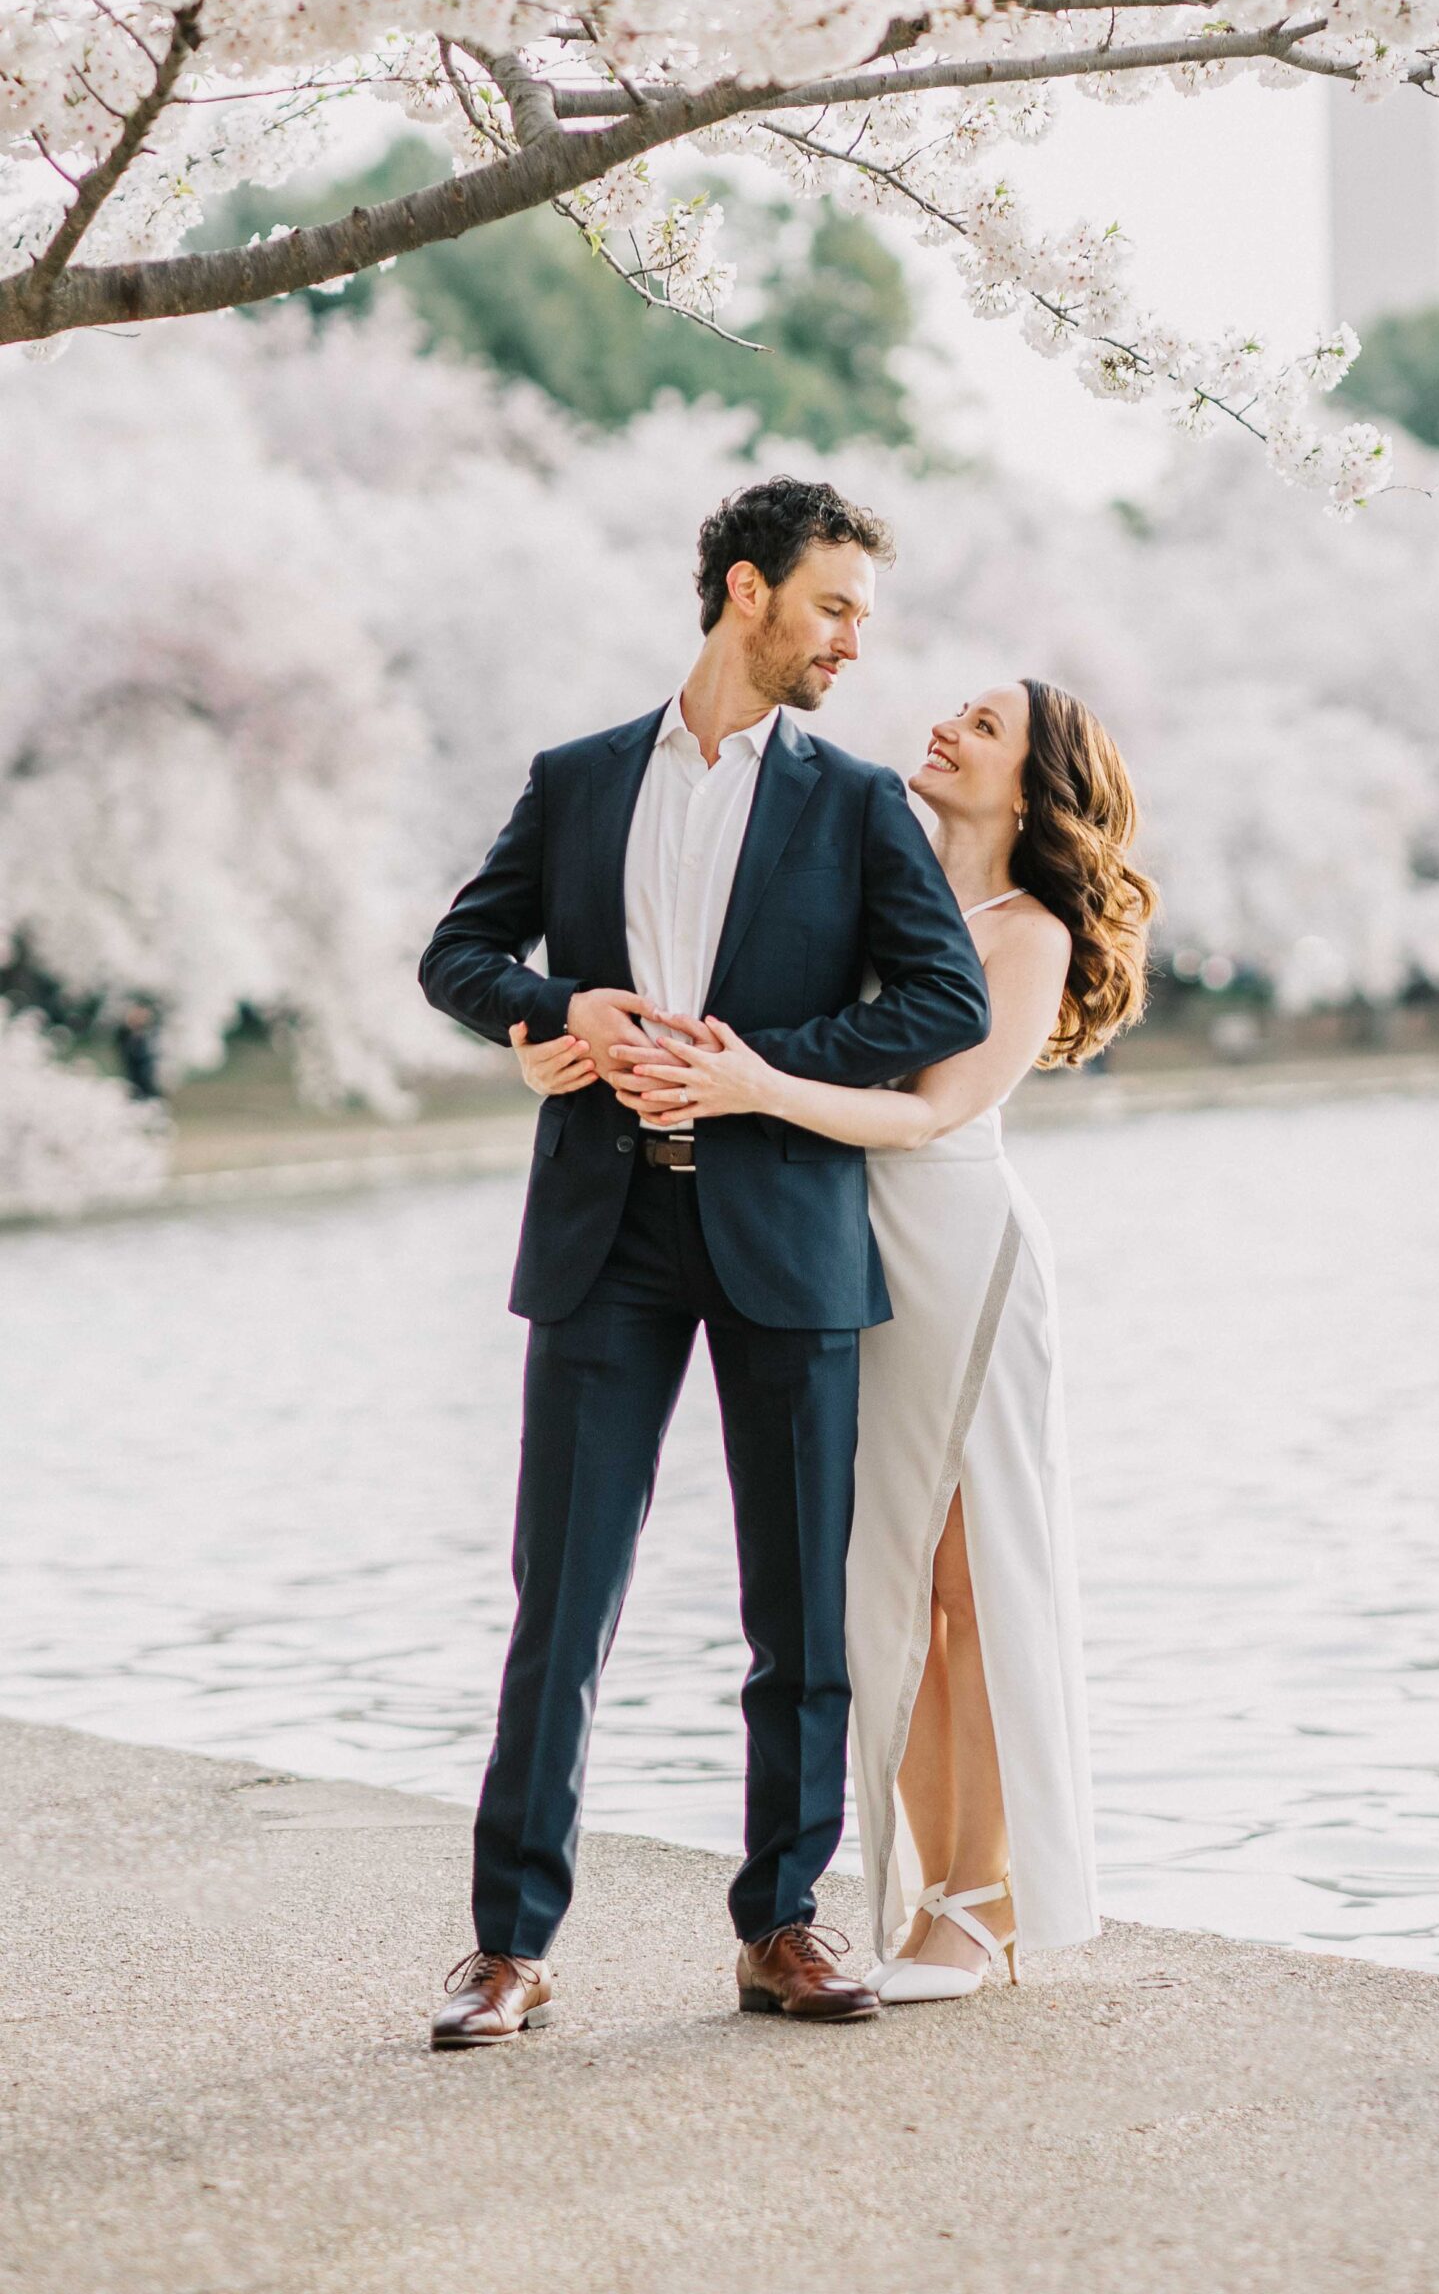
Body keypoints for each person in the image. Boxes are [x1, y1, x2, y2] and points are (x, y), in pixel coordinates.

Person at [418, 475, 989, 2043]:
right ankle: (509, 1946)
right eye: (832, 608)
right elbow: (457, 953)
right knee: (565, 1600)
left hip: (785, 1229)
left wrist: (757, 1066)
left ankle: (783, 1925)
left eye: (861, 617)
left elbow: (944, 1003)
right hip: (605, 1235)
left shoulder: (858, 799)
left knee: (796, 1610)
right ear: (745, 592)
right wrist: (557, 1014)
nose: (852, 644)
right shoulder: (580, 776)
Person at [630, 678, 1154, 2001]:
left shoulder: (1024, 931)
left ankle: (979, 1908)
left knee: (971, 1591)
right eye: (956, 712)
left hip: (955, 1252)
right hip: (848, 1249)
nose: (945, 729)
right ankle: (927, 1890)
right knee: (891, 1587)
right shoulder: (884, 894)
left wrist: (748, 1088)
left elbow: (929, 1115)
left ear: (1031, 789)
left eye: (983, 728)